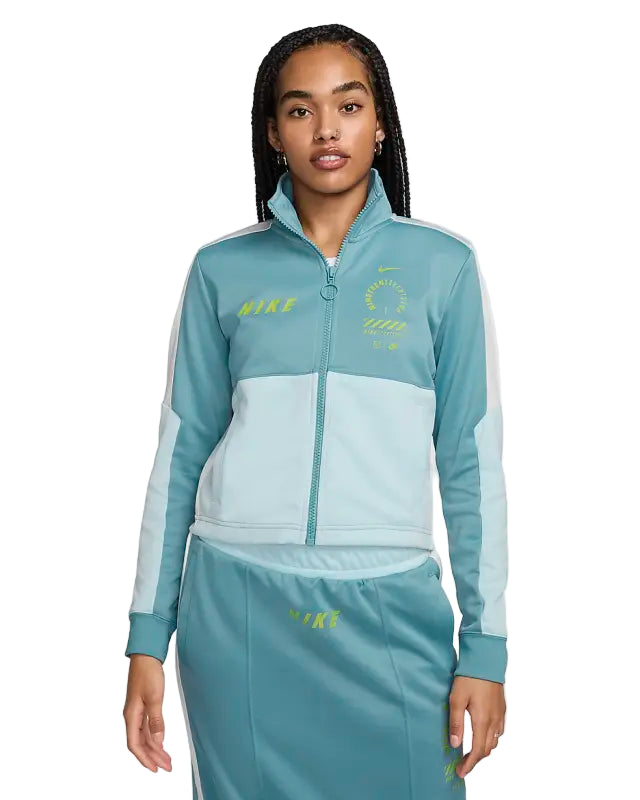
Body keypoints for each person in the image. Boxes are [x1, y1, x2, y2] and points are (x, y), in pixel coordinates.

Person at [122, 23, 508, 800]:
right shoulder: (221, 270)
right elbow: (180, 456)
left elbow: (471, 467)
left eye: (349, 105)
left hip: (391, 601)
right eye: (300, 110)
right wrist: (146, 638)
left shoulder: (444, 268)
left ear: (380, 122)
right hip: (238, 606)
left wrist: (485, 646)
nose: (327, 129)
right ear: (273, 133)